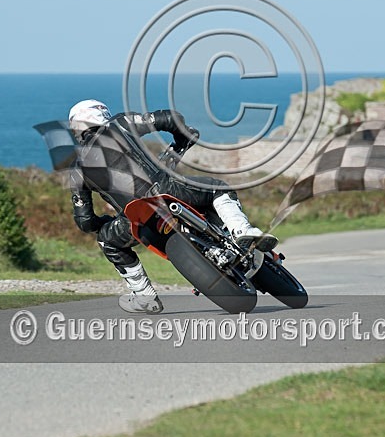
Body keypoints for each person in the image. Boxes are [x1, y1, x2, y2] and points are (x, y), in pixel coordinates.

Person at [67, 99, 277, 314]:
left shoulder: (76, 170)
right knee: (217, 188)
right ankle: (242, 231)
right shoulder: (120, 123)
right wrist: (182, 136)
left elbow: (85, 222)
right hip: (166, 191)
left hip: (134, 218)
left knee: (107, 241)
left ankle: (144, 295)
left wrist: (105, 222)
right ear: (100, 114)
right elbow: (170, 118)